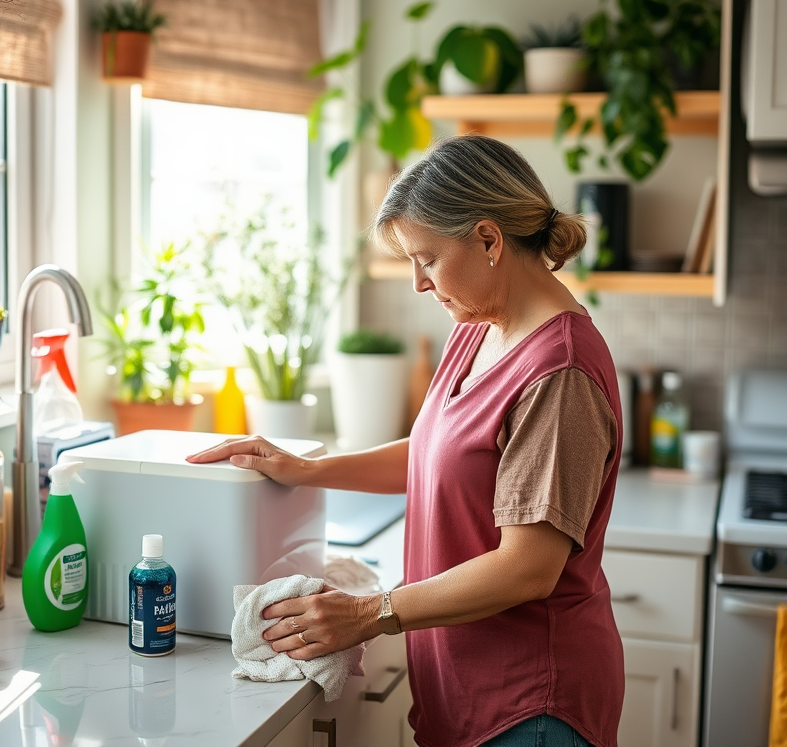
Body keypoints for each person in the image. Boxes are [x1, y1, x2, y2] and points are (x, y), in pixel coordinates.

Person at [187, 134, 623, 747]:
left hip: (530, 706)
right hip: (465, 690)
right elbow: (435, 455)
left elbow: (527, 569)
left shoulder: (560, 373)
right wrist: (308, 469)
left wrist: (368, 614)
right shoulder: (479, 328)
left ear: (490, 240)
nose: (418, 282)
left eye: (428, 258)